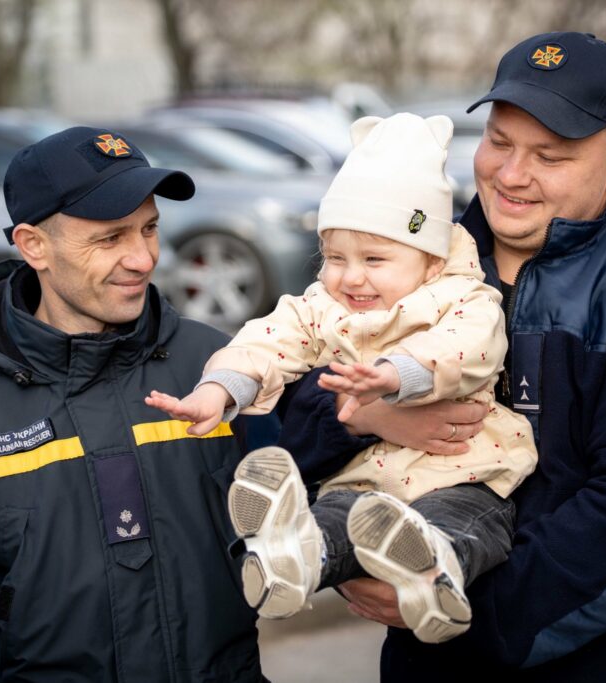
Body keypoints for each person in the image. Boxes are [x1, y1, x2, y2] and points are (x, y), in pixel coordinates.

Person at [278, 32, 606, 681]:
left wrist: (450, 604)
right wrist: (362, 418)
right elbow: (289, 410)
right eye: (499, 141)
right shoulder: (399, 261)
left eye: (550, 155)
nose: (512, 174)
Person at [0, 127, 267, 681]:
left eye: (150, 228)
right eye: (111, 238)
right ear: (33, 245)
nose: (143, 258)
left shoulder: (220, 368)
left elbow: (317, 501)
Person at [146, 112, 537, 644]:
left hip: (462, 473)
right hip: (367, 484)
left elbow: (467, 349)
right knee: (338, 520)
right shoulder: (323, 305)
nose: (351, 276)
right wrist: (221, 389)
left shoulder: (464, 298)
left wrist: (394, 376)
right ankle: (294, 559)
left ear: (429, 260)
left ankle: (434, 575)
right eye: (333, 257)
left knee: (467, 523)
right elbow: (268, 339)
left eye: (375, 258)